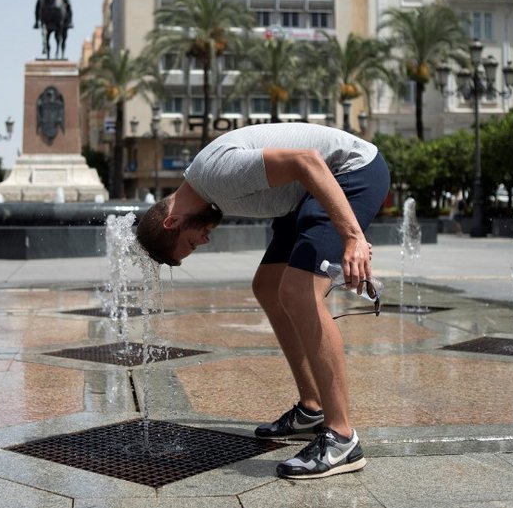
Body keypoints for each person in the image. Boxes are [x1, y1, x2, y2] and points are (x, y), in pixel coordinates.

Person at [136, 123, 390, 479]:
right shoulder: (211, 186)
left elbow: (307, 161)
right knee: (269, 285)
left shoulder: (217, 177)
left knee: (299, 290)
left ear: (173, 221)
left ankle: (342, 438)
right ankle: (312, 409)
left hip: (349, 172)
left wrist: (353, 238)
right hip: (304, 195)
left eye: (191, 242)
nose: (204, 242)